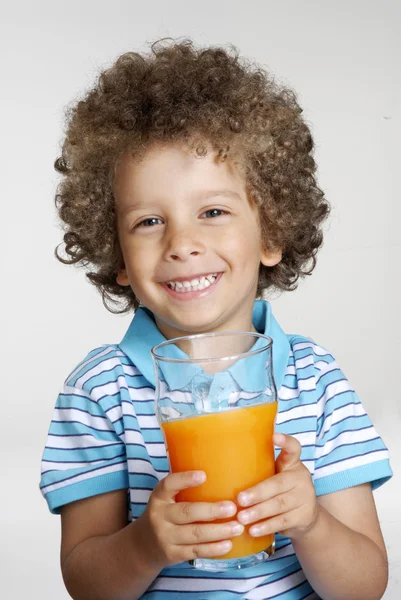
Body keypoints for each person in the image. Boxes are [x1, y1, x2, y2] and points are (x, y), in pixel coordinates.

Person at [40, 39, 392, 600]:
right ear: (118, 258)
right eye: (150, 220)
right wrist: (146, 545)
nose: (182, 243)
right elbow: (87, 584)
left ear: (272, 232)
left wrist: (311, 524)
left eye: (213, 212)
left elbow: (365, 585)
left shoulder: (317, 379)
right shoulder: (100, 391)